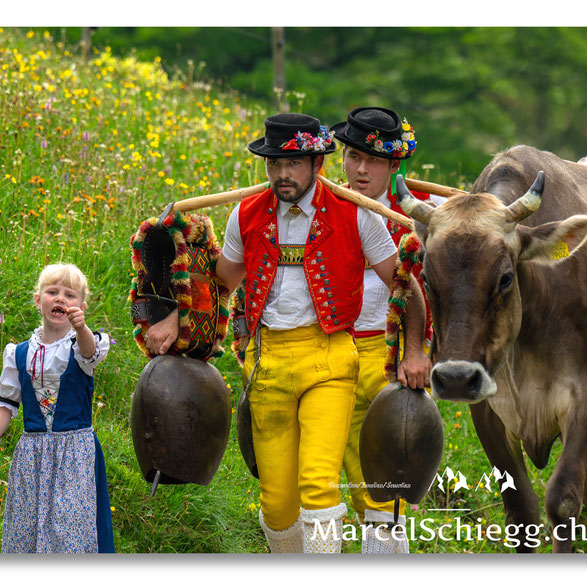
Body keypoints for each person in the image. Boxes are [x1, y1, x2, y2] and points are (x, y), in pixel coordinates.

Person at [145, 113, 430, 553]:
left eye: (293, 163)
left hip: (330, 360)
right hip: (267, 364)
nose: (282, 173)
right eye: (274, 162)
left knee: (319, 487)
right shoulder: (245, 213)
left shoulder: (356, 213)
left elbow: (404, 284)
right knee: (277, 505)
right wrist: (174, 298)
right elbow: (221, 283)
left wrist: (414, 351)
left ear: (318, 164)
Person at [331, 106, 441, 553]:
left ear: (395, 164)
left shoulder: (427, 214)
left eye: (374, 160)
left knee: (386, 484)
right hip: (333, 351)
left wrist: (417, 351)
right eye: (353, 157)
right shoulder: (323, 206)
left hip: (390, 355)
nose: (361, 169)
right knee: (353, 477)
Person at [0, 263, 115, 553]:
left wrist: (81, 328)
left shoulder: (80, 345)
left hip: (74, 454)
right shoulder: (19, 352)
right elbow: (6, 403)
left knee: (70, 528)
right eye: (52, 292)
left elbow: (89, 351)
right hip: (32, 455)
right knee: (27, 526)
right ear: (39, 300)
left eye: (70, 295)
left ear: (81, 307)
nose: (60, 298)